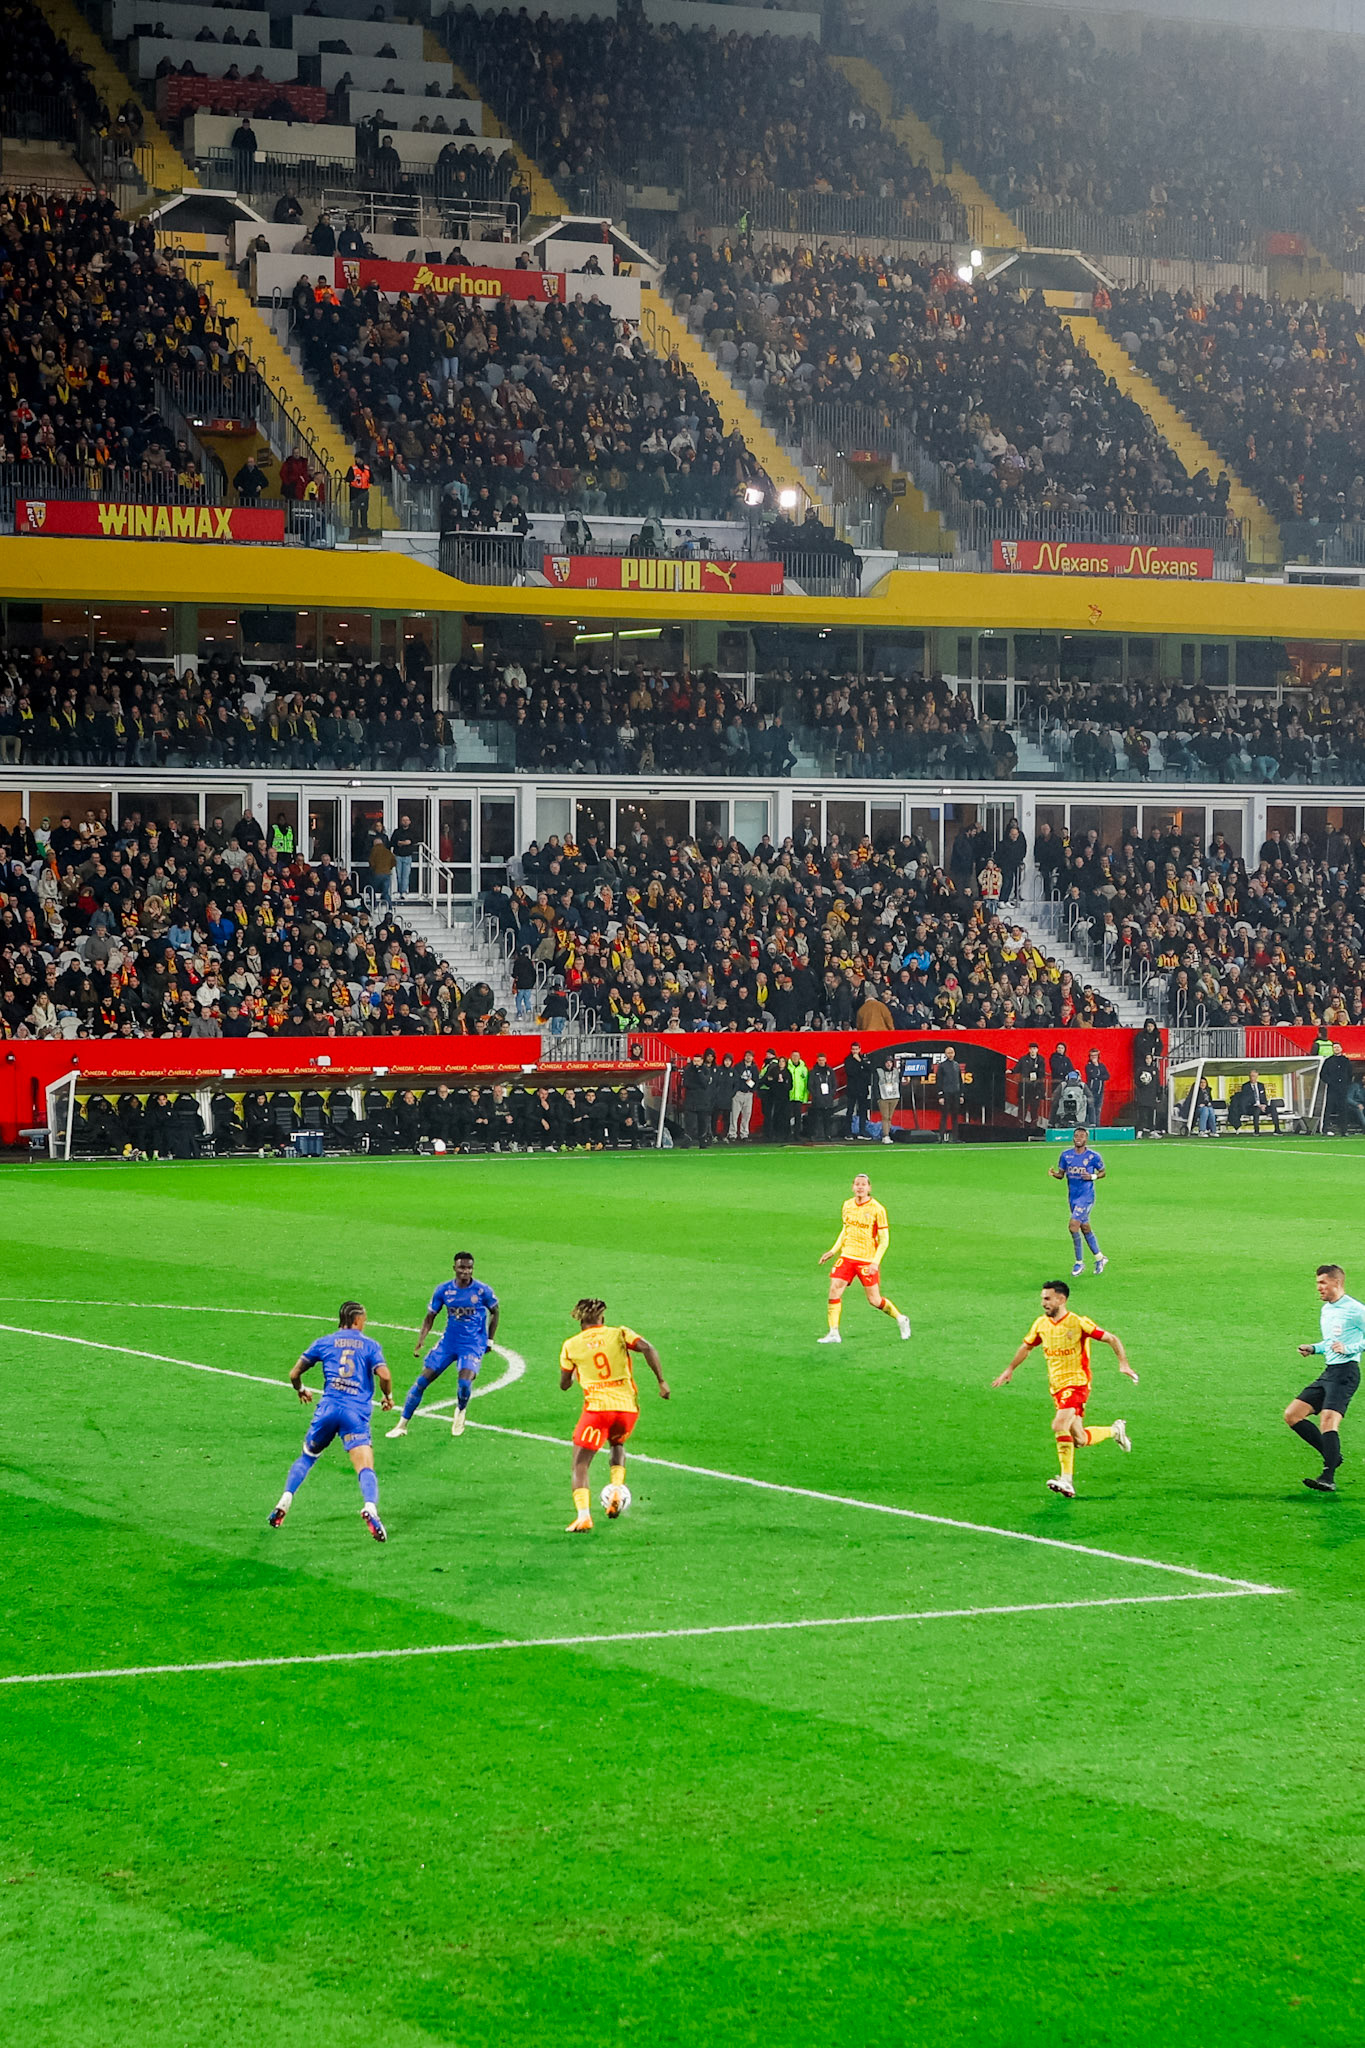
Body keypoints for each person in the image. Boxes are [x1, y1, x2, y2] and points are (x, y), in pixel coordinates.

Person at [992, 1280, 1136, 1499]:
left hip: (1077, 1383)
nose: (1043, 1303)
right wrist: (1009, 1369)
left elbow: (1111, 1338)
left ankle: (1066, 1481)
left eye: (1047, 1299)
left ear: (1061, 1299)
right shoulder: (1041, 1324)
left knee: (1059, 1425)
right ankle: (1115, 1431)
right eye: (1042, 1299)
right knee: (1079, 1439)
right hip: (1056, 1388)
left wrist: (1123, 1364)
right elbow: (1027, 1347)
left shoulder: (1078, 1323)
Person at [267, 1301, 392, 1540]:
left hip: (327, 1409)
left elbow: (294, 1373)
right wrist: (388, 1396)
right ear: (357, 1320)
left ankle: (285, 1499)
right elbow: (384, 1375)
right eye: (364, 1319)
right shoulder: (370, 1345)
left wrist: (301, 1389)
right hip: (354, 1415)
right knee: (365, 1467)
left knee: (307, 1457)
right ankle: (370, 1507)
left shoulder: (324, 1342)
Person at [559, 1295, 668, 1532]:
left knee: (580, 1464)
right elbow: (647, 1347)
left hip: (598, 1411)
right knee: (617, 1443)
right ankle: (617, 1488)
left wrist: (576, 1373)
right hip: (627, 1409)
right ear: (602, 1318)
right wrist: (661, 1381)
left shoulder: (571, 1345)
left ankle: (583, 1516)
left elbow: (564, 1384)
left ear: (580, 1320)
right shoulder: (619, 1333)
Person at [389, 1250, 500, 1439]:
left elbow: (495, 1311)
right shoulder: (443, 1290)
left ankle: (461, 1410)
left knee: (464, 1383)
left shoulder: (482, 1290)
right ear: (454, 1268)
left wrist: (489, 1340)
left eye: (469, 1268)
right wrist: (421, 1339)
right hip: (448, 1343)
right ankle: (402, 1425)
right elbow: (430, 1316)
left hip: (472, 1344)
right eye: (462, 1267)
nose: (466, 1271)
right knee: (421, 1381)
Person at [1286, 1263, 1365, 1493]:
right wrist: (1314, 1348)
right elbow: (1331, 1343)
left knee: (1328, 1420)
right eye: (1317, 1283)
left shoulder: (1355, 1309)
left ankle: (1328, 1476)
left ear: (1336, 1283)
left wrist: (1350, 1348)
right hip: (1329, 1372)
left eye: (1323, 1283)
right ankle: (1333, 1455)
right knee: (1292, 1415)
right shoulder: (1327, 1310)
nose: (1319, 1287)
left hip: (1346, 1373)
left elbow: (1347, 1345)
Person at [817, 1171, 911, 1346]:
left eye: (863, 1184)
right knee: (834, 1289)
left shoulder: (877, 1209)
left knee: (874, 1300)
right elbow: (846, 1229)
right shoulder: (847, 1205)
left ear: (869, 1188)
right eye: (857, 1184)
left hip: (867, 1260)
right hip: (847, 1256)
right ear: (852, 1187)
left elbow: (884, 1240)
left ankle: (901, 1319)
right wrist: (833, 1250)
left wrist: (875, 1262)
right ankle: (833, 1332)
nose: (860, 1187)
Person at [1050, 1125, 1107, 1278]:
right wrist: (1054, 1174)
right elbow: (1061, 1175)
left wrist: (1093, 1176)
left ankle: (1079, 1262)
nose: (1078, 1138)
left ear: (1086, 1139)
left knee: (1073, 1226)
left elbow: (1103, 1172)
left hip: (1086, 1197)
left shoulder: (1093, 1156)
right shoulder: (1066, 1155)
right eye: (1076, 1136)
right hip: (1073, 1197)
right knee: (1085, 1227)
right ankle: (1100, 1258)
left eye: (1081, 1136)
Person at [1228, 1070, 1281, 1134]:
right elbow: (1246, 1100)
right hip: (1251, 1107)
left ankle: (1277, 1130)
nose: (1252, 1078)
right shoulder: (1245, 1086)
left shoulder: (1261, 1085)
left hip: (1262, 1106)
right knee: (1257, 1109)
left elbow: (1264, 1098)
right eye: (1250, 1076)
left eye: (1253, 1076)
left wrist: (1264, 1105)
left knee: (1273, 1108)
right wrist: (1258, 1105)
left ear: (1257, 1076)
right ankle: (1256, 1130)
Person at [1319, 1043, 1354, 1135]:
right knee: (1329, 1108)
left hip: (1343, 1089)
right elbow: (1323, 1074)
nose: (1336, 1049)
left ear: (1341, 1048)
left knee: (1343, 1109)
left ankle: (1344, 1130)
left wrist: (1346, 1083)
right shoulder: (1328, 1061)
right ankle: (1325, 1129)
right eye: (1334, 1047)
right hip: (1332, 1088)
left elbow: (1350, 1073)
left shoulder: (1346, 1061)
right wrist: (1330, 1082)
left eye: (1337, 1047)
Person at [1012, 1042, 1046, 1128]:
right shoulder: (1023, 1059)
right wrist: (1011, 1071)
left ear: (1037, 1050)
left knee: (1034, 1108)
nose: (1032, 1050)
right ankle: (1020, 1125)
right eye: (1031, 1049)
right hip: (1025, 1087)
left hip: (1036, 1087)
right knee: (1022, 1107)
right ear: (1029, 1049)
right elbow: (1017, 1068)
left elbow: (1042, 1074)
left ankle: (1033, 1125)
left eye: (1034, 1049)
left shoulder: (1041, 1060)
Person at [843, 1040, 872, 1140]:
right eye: (853, 1049)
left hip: (862, 1089)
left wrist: (860, 1062)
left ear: (860, 1049)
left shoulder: (864, 1058)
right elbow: (851, 1072)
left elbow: (869, 1070)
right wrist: (861, 1068)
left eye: (856, 1049)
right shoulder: (848, 1060)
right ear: (851, 1050)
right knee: (850, 1111)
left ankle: (862, 1131)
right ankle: (848, 1132)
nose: (855, 1051)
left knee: (863, 1111)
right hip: (852, 1090)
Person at [728, 1050, 758, 1141]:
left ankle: (744, 1134)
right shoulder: (738, 1066)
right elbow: (735, 1079)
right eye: (747, 1055)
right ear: (744, 1057)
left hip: (748, 1094)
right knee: (734, 1115)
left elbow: (756, 1080)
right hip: (738, 1093)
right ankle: (732, 1134)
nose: (748, 1057)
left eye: (750, 1056)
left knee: (747, 1115)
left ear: (753, 1057)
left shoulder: (754, 1068)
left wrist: (752, 1089)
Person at [935, 1045, 962, 1142]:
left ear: (954, 1053)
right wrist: (940, 1095)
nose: (950, 1055)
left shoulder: (956, 1065)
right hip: (946, 1093)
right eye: (948, 1053)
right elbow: (939, 1081)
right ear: (945, 1054)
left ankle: (955, 1137)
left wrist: (961, 1095)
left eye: (952, 1053)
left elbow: (960, 1080)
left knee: (955, 1116)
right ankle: (941, 1137)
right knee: (944, 1116)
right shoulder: (942, 1066)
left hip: (955, 1093)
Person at [808, 1053, 838, 1141]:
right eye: (820, 1060)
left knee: (827, 1119)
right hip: (817, 1099)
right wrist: (815, 1095)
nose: (821, 1062)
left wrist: (831, 1094)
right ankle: (815, 1135)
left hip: (828, 1099)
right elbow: (810, 1085)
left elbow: (834, 1083)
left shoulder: (830, 1071)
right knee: (816, 1119)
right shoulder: (813, 1071)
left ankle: (827, 1135)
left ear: (825, 1060)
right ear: (817, 1060)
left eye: (823, 1060)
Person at [875, 1055, 900, 1144]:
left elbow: (899, 1081)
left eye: (890, 1062)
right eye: (887, 1062)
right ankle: (885, 1135)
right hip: (883, 1097)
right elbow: (875, 1085)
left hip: (894, 1097)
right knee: (885, 1117)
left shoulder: (896, 1071)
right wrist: (878, 1098)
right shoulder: (879, 1071)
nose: (889, 1064)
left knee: (889, 1117)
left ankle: (888, 1134)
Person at [1083, 1049, 1110, 1128]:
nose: (1094, 1057)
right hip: (1091, 1091)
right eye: (1092, 1056)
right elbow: (1092, 1075)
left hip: (1100, 1091)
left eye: (1095, 1055)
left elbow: (1107, 1076)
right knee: (1091, 1108)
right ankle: (1091, 1124)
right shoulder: (1088, 1066)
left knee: (1098, 1109)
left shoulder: (1102, 1066)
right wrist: (1095, 1066)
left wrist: (1098, 1077)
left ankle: (1097, 1125)